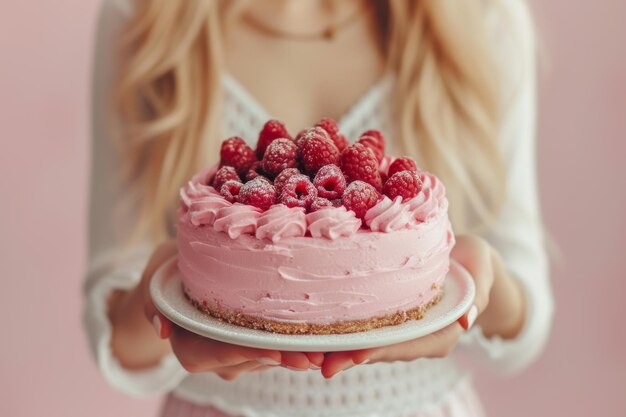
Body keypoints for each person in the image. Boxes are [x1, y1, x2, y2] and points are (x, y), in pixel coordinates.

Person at [84, 0, 554, 416]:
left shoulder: (483, 16)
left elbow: (523, 326)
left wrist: (476, 287)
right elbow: (115, 331)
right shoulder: (145, 16)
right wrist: (157, 303)